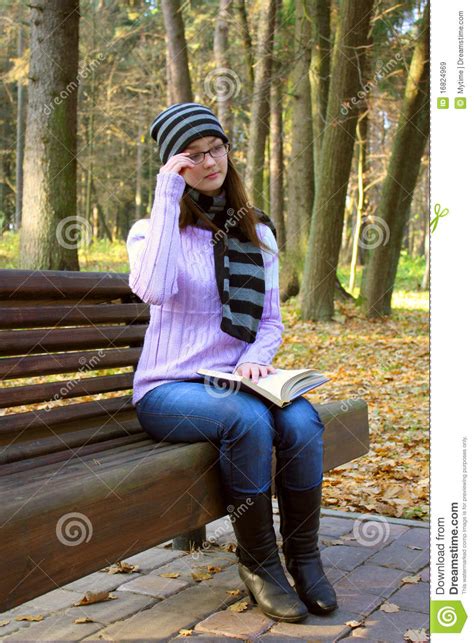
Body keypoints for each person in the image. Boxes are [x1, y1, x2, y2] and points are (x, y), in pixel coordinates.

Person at [126, 102, 337, 623]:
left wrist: (256, 361)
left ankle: (305, 559)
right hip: (167, 388)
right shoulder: (151, 232)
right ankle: (261, 565)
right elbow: (152, 289)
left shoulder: (256, 232)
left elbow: (268, 323)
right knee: (247, 420)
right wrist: (165, 194)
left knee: (303, 419)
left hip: (234, 383)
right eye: (191, 156)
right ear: (174, 166)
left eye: (215, 148)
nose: (209, 162)